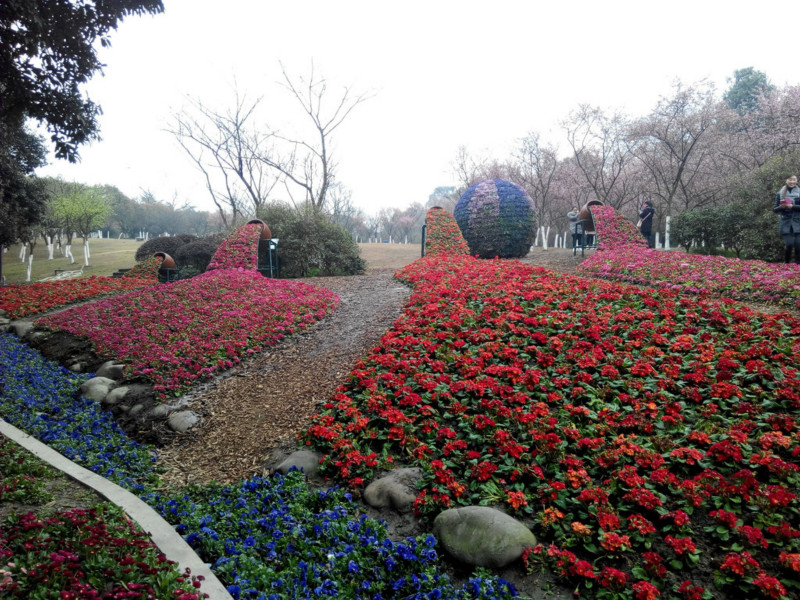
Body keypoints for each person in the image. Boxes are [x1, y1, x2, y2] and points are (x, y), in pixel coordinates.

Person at [773, 174, 800, 263]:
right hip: (785, 222)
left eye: (794, 179)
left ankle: (798, 265)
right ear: (786, 180)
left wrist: (792, 206)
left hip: (797, 221)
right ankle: (787, 263)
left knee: (798, 245)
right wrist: (783, 207)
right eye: (790, 179)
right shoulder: (779, 194)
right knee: (789, 244)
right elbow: (775, 209)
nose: (792, 182)